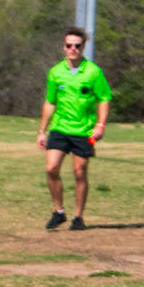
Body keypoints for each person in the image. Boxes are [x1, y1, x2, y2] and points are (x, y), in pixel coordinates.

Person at [37, 27, 112, 231]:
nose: (73, 49)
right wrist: (42, 131)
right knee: (51, 168)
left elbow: (104, 98)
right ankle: (58, 211)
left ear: (83, 47)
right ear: (63, 47)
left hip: (83, 131)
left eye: (77, 46)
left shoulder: (93, 72)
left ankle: (78, 217)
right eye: (69, 45)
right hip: (60, 128)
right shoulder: (56, 72)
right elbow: (50, 102)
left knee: (80, 172)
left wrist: (100, 124)